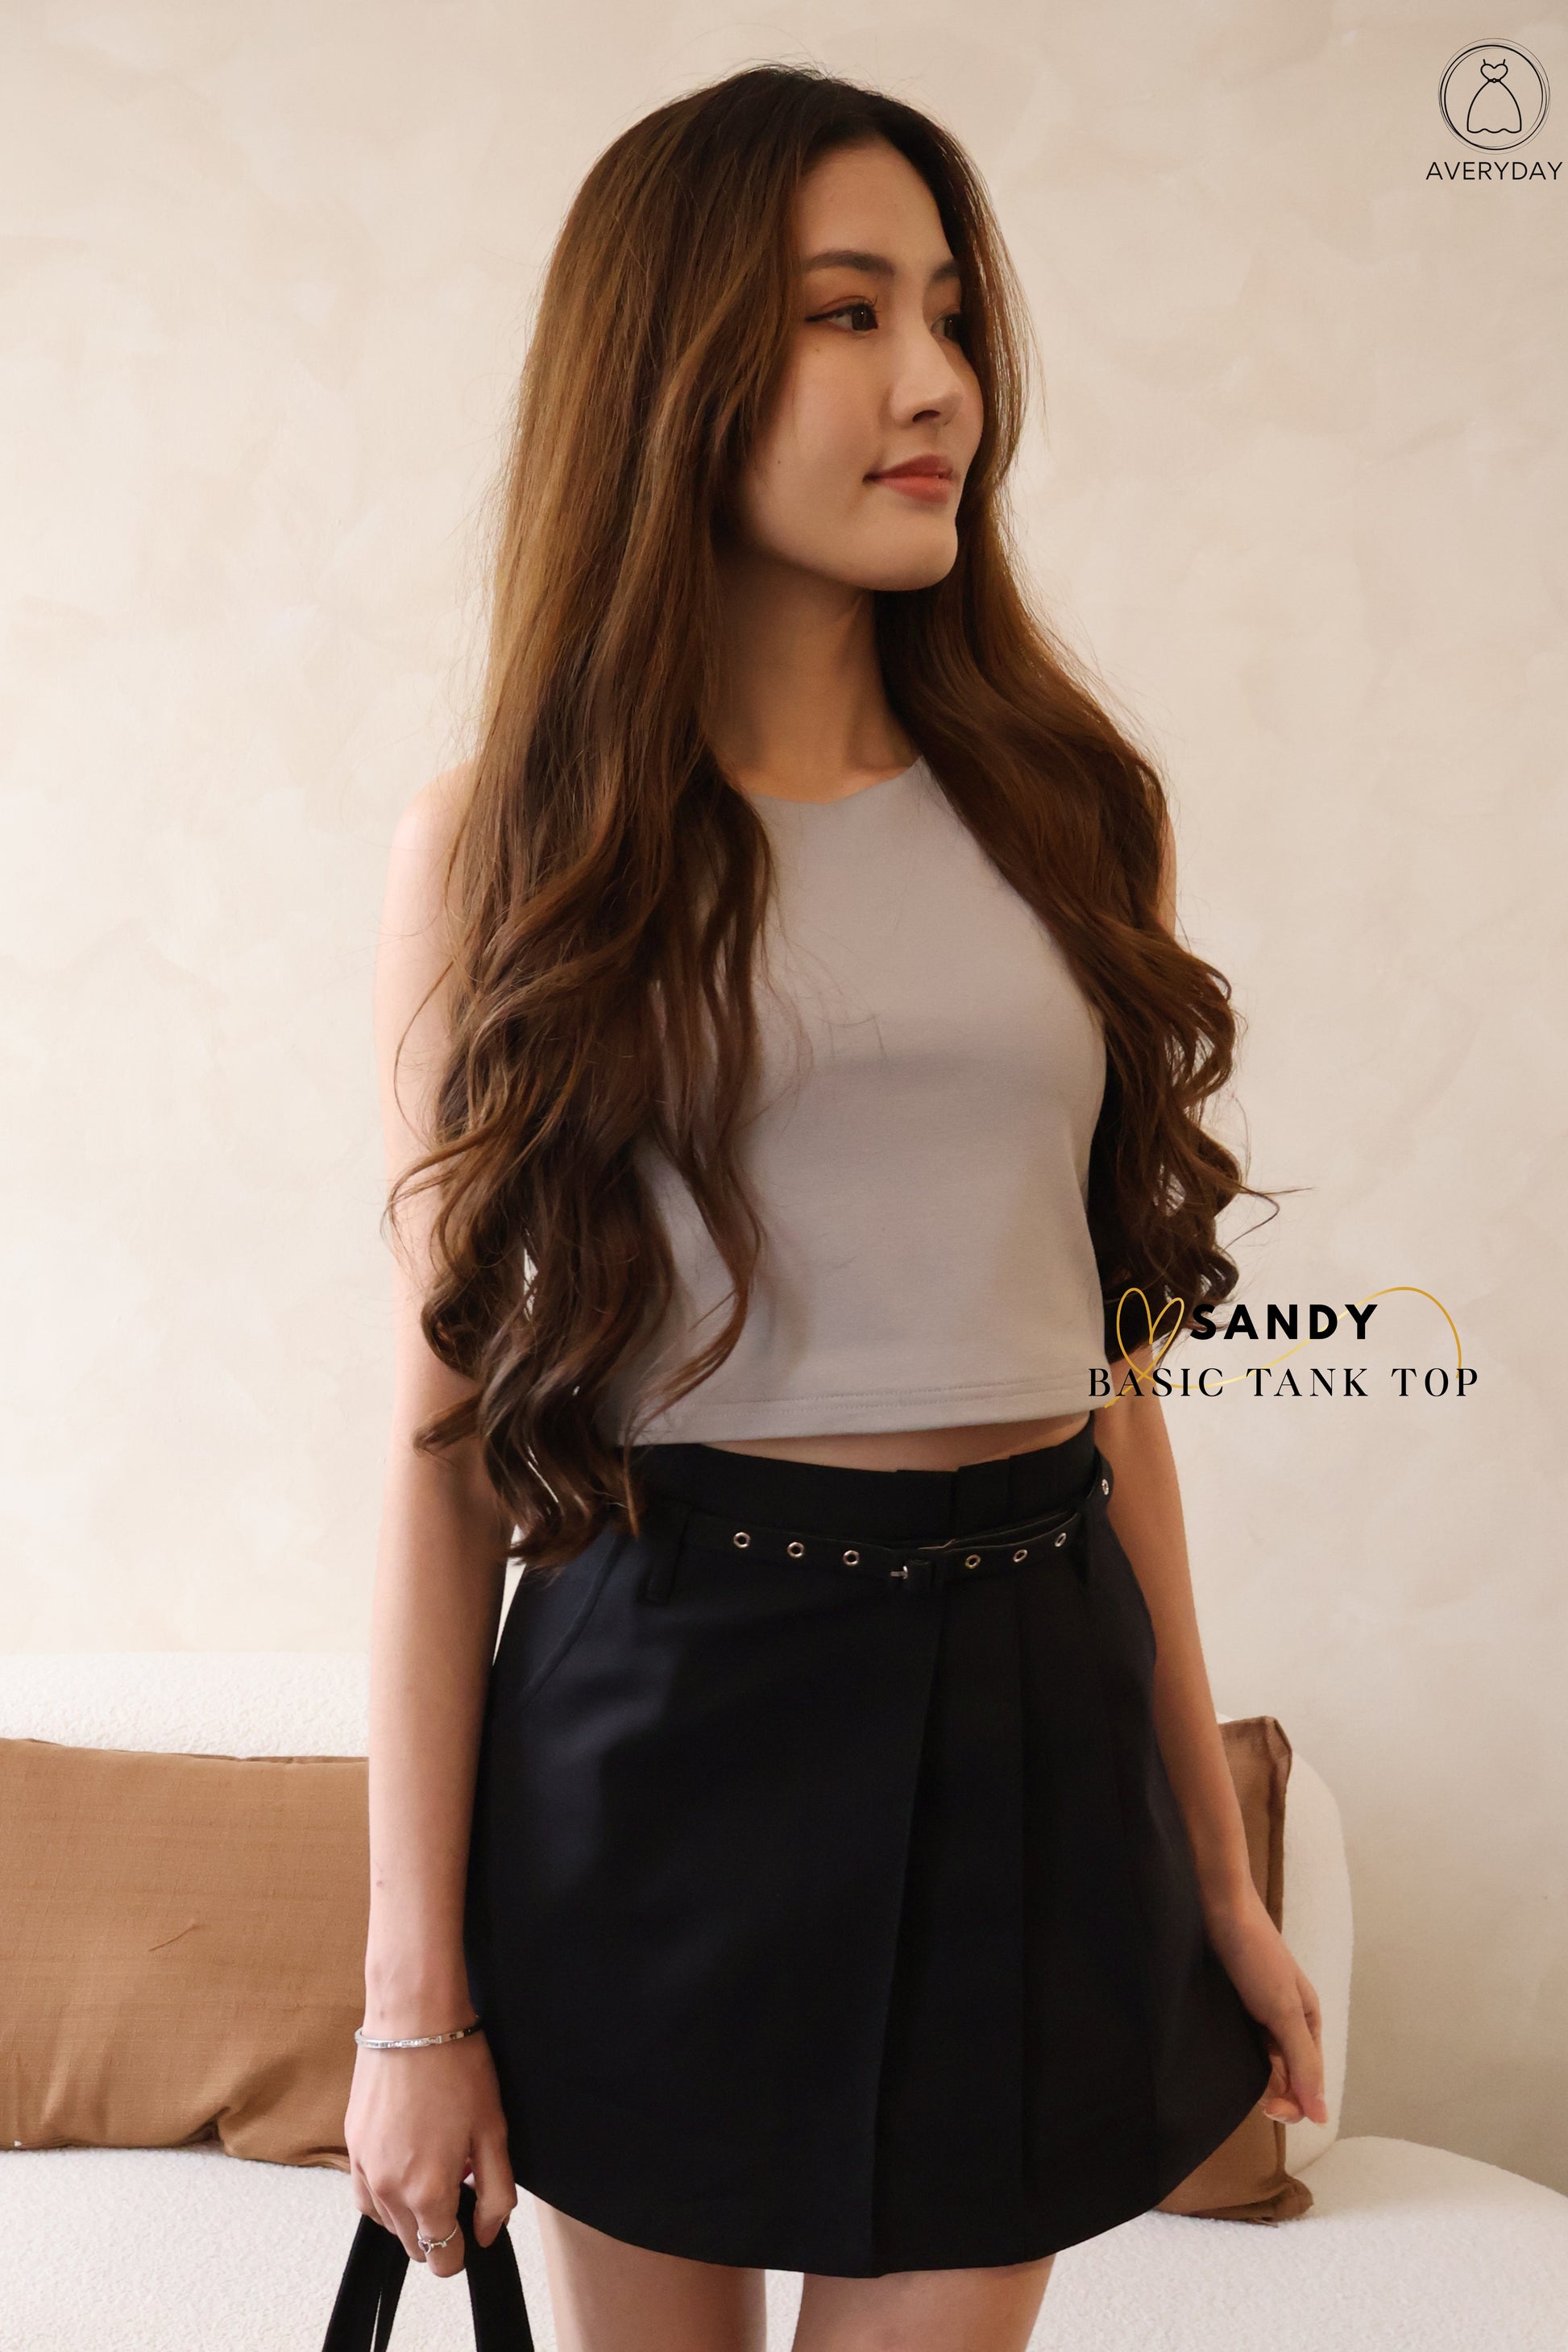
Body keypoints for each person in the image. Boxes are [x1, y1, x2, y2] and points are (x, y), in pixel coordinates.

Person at [346, 62, 1327, 2352]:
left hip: (1029, 1703)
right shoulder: (507, 850)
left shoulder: (1074, 813)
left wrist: (1218, 1877)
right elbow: (442, 1439)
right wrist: (411, 2004)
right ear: (670, 367)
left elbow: (1113, 1387)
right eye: (848, 313)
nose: (939, 385)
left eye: (954, 317)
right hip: (662, 1707)